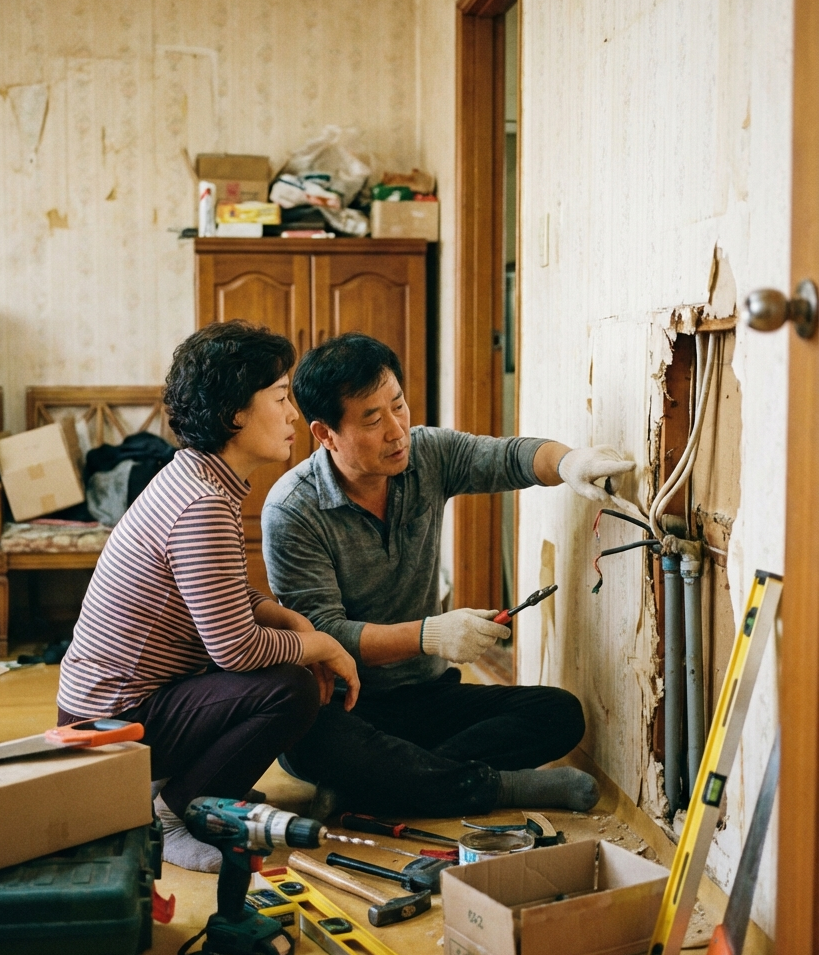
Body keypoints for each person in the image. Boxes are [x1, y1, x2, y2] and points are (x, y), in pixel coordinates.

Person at [261, 333, 634, 820]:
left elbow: (509, 457)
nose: (397, 431)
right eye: (372, 420)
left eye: (398, 405)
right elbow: (325, 633)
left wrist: (567, 463)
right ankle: (493, 787)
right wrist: (431, 635)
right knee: (307, 738)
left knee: (558, 713)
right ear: (325, 434)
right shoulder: (292, 510)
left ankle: (383, 784)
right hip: (348, 705)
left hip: (427, 696)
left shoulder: (425, 454)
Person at [57, 321, 360, 872]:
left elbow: (221, 592)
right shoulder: (202, 504)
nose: (293, 414)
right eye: (279, 398)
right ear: (235, 414)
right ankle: (173, 816)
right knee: (290, 688)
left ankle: (189, 785)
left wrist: (286, 618)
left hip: (104, 708)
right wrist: (323, 645)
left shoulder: (197, 479)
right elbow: (235, 650)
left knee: (282, 663)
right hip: (107, 725)